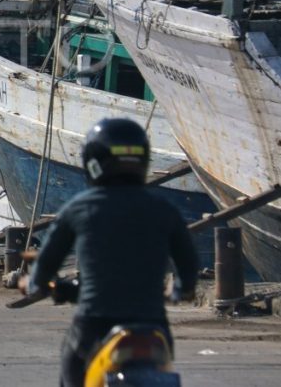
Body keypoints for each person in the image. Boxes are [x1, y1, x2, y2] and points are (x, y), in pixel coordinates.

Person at [25, 118, 199, 387]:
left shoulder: (79, 208)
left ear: (92, 162)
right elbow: (189, 264)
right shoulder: (164, 209)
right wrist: (182, 289)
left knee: (71, 367)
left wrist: (36, 283)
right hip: (152, 322)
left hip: (95, 321)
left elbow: (47, 262)